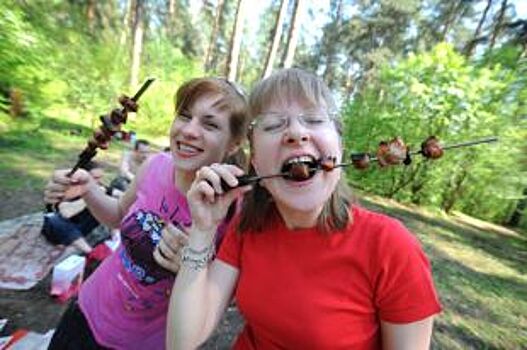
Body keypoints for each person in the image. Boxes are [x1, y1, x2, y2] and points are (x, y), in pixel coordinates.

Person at [168, 68, 442, 349]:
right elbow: (182, 342)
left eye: (313, 119)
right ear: (257, 163)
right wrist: (203, 230)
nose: (296, 133)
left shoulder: (390, 246)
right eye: (273, 124)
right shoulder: (247, 228)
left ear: (339, 147)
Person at [43, 77, 250, 350]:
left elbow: (227, 298)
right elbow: (118, 216)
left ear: (233, 144)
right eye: (184, 116)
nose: (189, 130)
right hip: (86, 311)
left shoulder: (234, 207)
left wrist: (193, 265)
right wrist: (88, 189)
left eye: (209, 124)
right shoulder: (156, 165)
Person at [41, 161, 111, 258]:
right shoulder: (69, 188)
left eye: (100, 178)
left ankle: (113, 242)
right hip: (59, 230)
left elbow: (116, 199)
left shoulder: (99, 187)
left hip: (81, 229)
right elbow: (66, 213)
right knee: (55, 220)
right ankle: (92, 253)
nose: (98, 182)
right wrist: (89, 198)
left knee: (103, 208)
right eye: (95, 178)